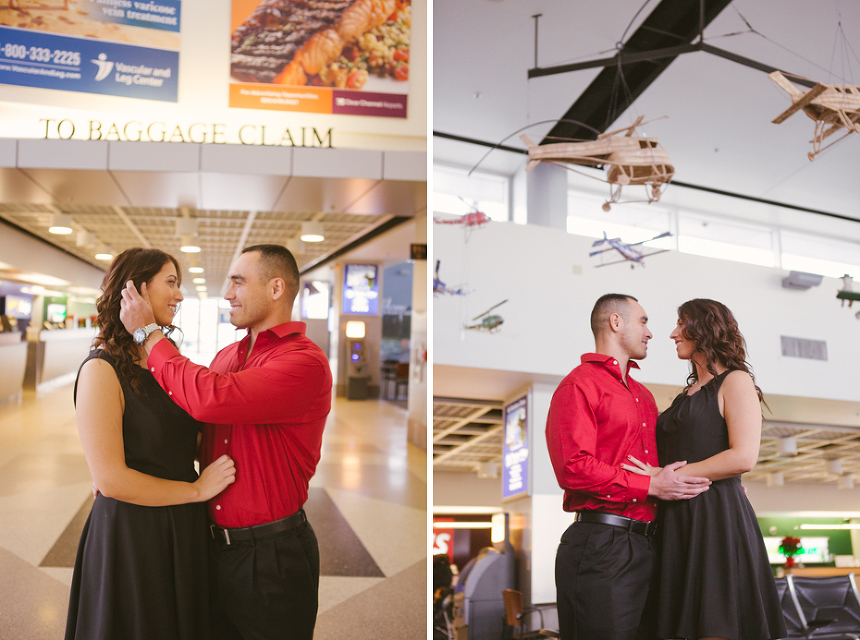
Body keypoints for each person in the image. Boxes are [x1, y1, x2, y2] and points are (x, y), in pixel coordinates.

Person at [119, 243, 333, 640]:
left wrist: (148, 334)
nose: (228, 293)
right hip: (213, 547)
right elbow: (188, 431)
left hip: (272, 557)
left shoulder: (304, 362)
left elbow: (210, 397)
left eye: (238, 281)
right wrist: (118, 467)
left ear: (275, 288)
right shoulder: (227, 358)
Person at [66, 248, 237, 640]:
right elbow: (110, 480)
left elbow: (190, 436)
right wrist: (196, 489)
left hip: (181, 527)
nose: (179, 296)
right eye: (171, 283)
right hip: (133, 535)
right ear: (135, 290)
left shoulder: (164, 362)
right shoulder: (100, 369)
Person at [546, 293, 712, 640]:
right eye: (644, 321)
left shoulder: (643, 396)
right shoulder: (579, 384)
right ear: (615, 322)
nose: (652, 333)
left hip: (650, 544)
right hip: (600, 544)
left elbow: (665, 466)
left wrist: (723, 477)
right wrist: (649, 486)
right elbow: (573, 468)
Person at [623, 299, 786, 640]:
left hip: (715, 518)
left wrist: (665, 475)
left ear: (705, 328)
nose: (672, 334)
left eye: (681, 324)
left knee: (715, 622)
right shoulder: (686, 395)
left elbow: (743, 457)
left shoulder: (735, 381)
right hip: (675, 519)